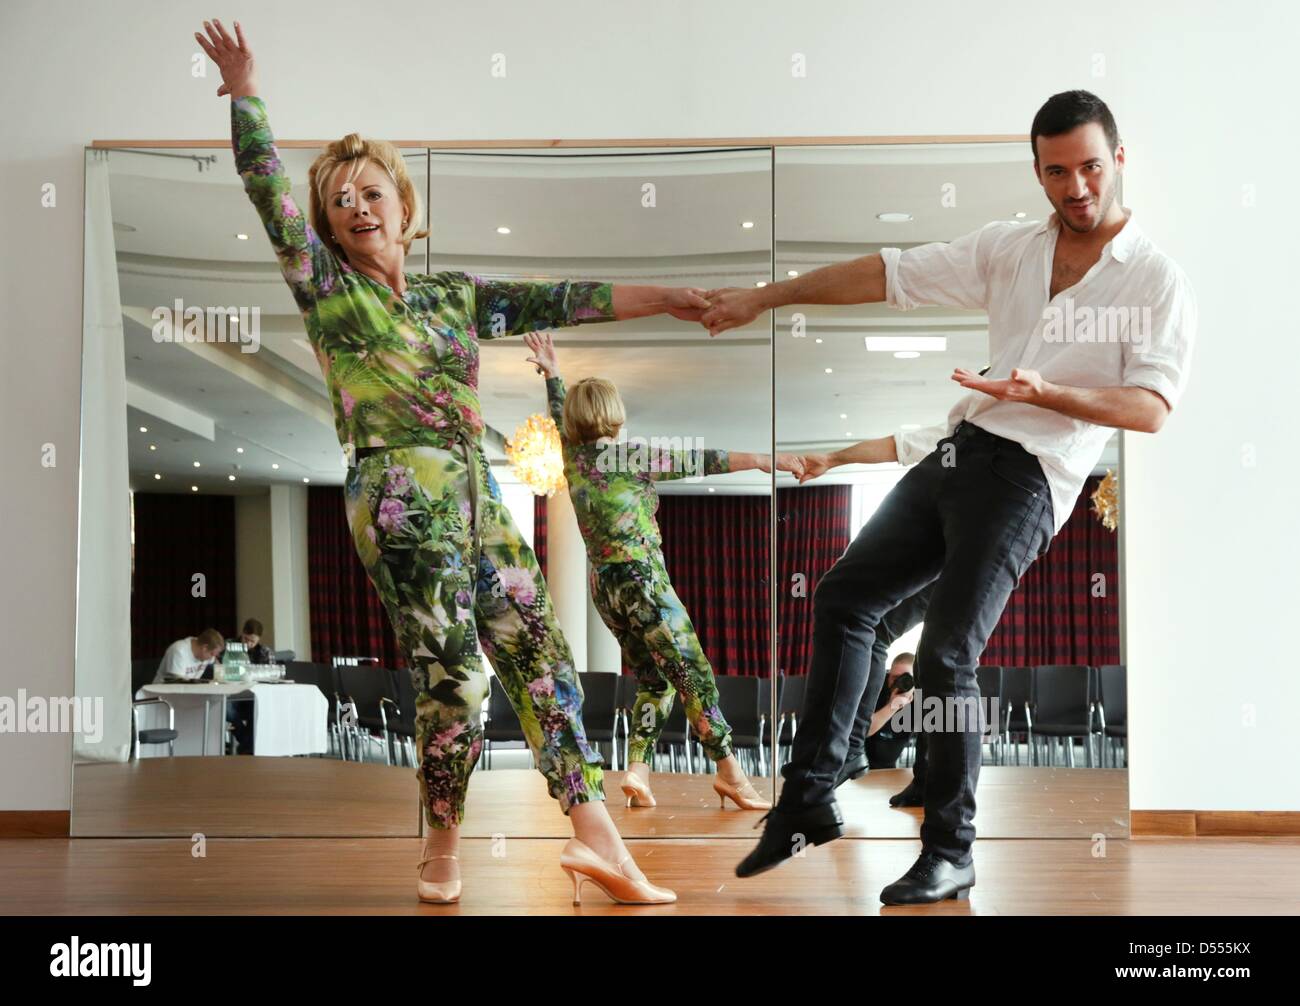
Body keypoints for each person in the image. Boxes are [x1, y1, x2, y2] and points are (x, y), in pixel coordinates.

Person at [199, 18, 717, 906]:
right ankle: (441, 849)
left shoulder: (451, 296)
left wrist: (666, 297)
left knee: (544, 655)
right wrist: (247, 93)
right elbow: (267, 194)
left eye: (371, 191)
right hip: (397, 491)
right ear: (328, 223)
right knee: (460, 675)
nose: (357, 206)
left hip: (475, 489)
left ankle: (598, 840)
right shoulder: (328, 288)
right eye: (339, 200)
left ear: (402, 201)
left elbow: (560, 297)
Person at [704, 90, 1196, 903]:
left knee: (945, 657)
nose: (1076, 187)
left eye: (1091, 168)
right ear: (1037, 172)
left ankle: (952, 848)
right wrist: (766, 296)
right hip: (960, 454)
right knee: (844, 598)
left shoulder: (1152, 280)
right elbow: (888, 273)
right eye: (1057, 171)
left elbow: (1150, 409)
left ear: (1119, 160)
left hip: (1032, 478)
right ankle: (809, 795)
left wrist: (1050, 393)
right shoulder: (1011, 248)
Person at [523, 330, 798, 811]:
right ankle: (731, 774)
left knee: (654, 679)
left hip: (605, 588)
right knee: (695, 675)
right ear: (615, 415)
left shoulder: (574, 456)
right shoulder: (626, 456)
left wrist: (553, 374)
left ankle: (638, 771)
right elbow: (704, 459)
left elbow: (556, 416)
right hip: (642, 581)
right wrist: (762, 460)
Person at [153, 629, 224, 683]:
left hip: (186, 695)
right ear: (204, 648)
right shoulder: (179, 650)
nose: (212, 657)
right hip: (162, 696)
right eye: (212, 654)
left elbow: (216, 664)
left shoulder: (208, 654)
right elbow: (178, 683)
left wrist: (220, 679)